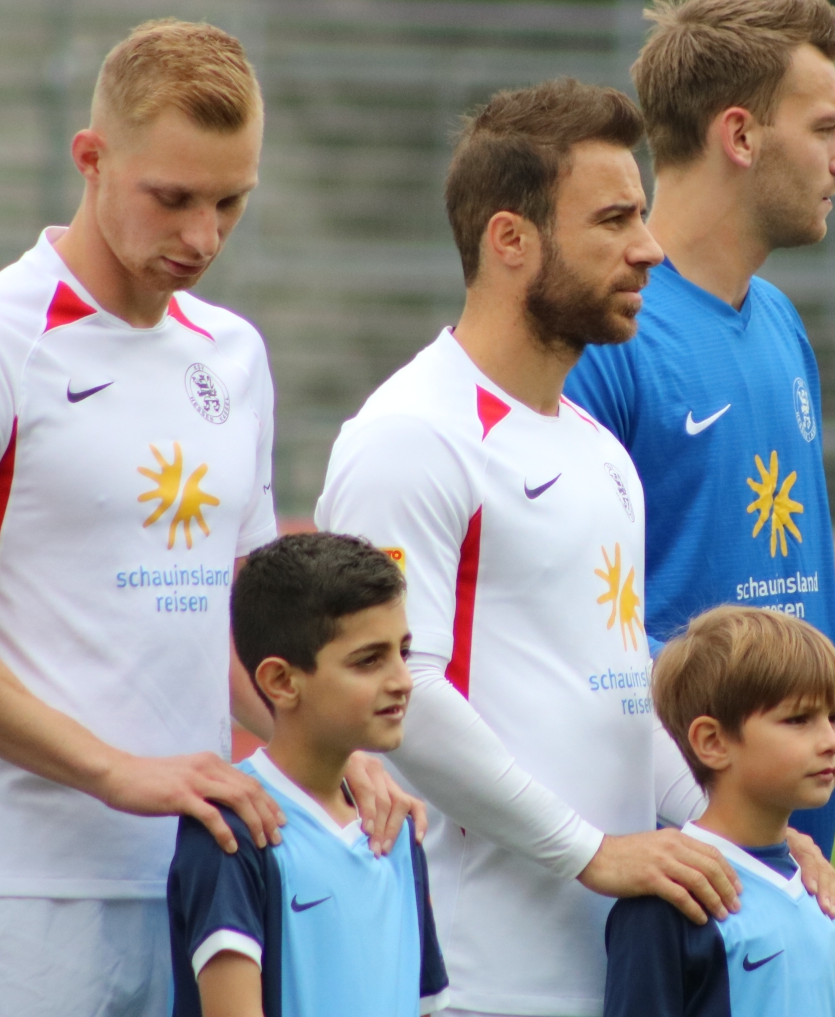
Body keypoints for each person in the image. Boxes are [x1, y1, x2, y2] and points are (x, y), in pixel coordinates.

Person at [0, 20, 415, 1017]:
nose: (202, 236)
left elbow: (244, 622)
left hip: (199, 880)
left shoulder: (234, 353)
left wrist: (330, 753)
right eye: (172, 198)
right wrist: (113, 771)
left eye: (232, 202)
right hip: (10, 893)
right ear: (90, 159)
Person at [317, 78, 795, 1017]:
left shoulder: (599, 448)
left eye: (643, 217)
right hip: (474, 977)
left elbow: (617, 688)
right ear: (511, 241)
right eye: (614, 220)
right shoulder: (411, 435)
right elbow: (400, 692)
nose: (649, 250)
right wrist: (589, 851)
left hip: (612, 970)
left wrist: (731, 837)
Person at [565, 0, 835, 851]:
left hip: (792, 852)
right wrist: (785, 690)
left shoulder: (776, 319)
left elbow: (785, 576)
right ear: (739, 135)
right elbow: (578, 630)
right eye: (825, 128)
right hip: (670, 847)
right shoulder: (604, 340)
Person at [167, 532, 447, 1017]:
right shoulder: (233, 830)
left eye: (403, 651)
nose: (402, 680)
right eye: (368, 660)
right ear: (281, 681)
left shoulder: (396, 826)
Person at [603, 605, 835, 1017]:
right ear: (712, 742)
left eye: (834, 718)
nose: (831, 742)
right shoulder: (669, 901)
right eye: (799, 719)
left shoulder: (813, 887)